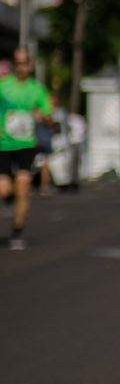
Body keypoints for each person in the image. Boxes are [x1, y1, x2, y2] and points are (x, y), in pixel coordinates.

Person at [0, 48, 55, 250]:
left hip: (26, 144)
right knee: (3, 188)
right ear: (14, 65)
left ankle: (17, 230)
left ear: (30, 65)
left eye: (25, 63)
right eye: (18, 63)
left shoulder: (36, 89)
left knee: (23, 184)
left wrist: (47, 118)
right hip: (4, 144)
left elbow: (48, 112)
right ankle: (10, 195)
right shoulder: (3, 86)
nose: (21, 67)